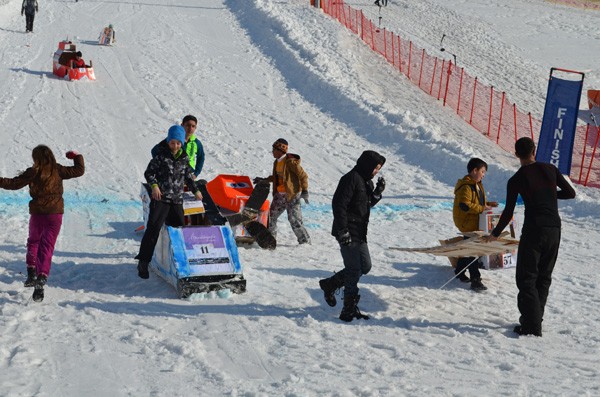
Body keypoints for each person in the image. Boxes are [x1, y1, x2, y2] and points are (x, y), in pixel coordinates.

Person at [484, 137, 575, 337]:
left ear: (516, 154)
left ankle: (531, 326)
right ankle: (533, 321)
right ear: (534, 150)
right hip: (554, 229)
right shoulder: (550, 169)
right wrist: (549, 195)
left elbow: (508, 212)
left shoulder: (516, 179)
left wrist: (495, 234)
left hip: (534, 230)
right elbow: (570, 193)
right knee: (544, 276)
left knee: (527, 278)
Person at [0, 146, 84, 302]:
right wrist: (76, 156)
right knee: (47, 245)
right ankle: (42, 276)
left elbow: (13, 183)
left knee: (33, 241)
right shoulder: (58, 170)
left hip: (38, 213)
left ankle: (31, 272)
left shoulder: (33, 172)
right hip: (55, 214)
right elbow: (79, 170)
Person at [319, 150, 386, 322]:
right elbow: (338, 205)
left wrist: (377, 193)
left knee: (365, 266)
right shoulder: (350, 179)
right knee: (354, 269)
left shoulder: (366, 182)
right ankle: (348, 309)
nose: (377, 171)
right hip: (347, 231)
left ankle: (331, 284)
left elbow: (367, 203)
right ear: (367, 165)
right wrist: (343, 230)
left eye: (379, 168)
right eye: (376, 167)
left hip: (360, 231)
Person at [136, 125, 202, 279]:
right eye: (172, 142)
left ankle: (181, 264)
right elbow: (149, 173)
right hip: (161, 199)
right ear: (168, 141)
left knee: (180, 231)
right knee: (153, 229)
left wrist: (196, 190)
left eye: (178, 143)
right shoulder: (161, 156)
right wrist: (154, 186)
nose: (175, 146)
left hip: (177, 200)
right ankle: (143, 262)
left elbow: (189, 177)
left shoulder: (185, 158)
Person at [452, 157, 498, 291]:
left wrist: (488, 204)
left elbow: (477, 201)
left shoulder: (477, 184)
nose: (483, 175)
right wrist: (482, 208)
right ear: (474, 170)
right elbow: (465, 205)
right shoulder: (466, 187)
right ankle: (475, 279)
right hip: (467, 223)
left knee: (469, 248)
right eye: (482, 172)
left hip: (474, 222)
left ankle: (459, 270)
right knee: (472, 250)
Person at [254, 138, 311, 245]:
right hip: (279, 195)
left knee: (294, 219)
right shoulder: (276, 162)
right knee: (271, 217)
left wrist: (305, 190)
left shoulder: (290, 162)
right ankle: (270, 240)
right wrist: (263, 180)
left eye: (274, 149)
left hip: (291, 195)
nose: (272, 152)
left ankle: (305, 242)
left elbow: (303, 176)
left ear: (280, 151)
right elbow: (276, 177)